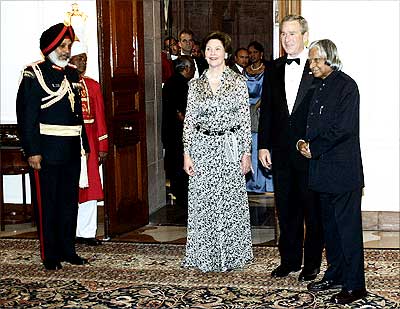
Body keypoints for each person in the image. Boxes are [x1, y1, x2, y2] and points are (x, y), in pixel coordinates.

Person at [298, 39, 367, 305]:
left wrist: (315, 147)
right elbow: (312, 124)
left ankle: (355, 285)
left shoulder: (347, 86)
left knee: (347, 231)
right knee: (331, 230)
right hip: (322, 174)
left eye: (316, 60)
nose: (311, 65)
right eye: (310, 60)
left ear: (330, 59)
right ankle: (336, 274)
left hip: (342, 173)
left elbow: (343, 129)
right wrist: (303, 142)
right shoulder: (319, 86)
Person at [16, 23, 90, 270]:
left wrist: (85, 145)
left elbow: (77, 113)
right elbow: (27, 116)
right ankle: (50, 255)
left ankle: (68, 250)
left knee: (69, 203)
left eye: (69, 46)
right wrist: (32, 151)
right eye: (62, 46)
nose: (67, 50)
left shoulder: (71, 74)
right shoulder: (33, 74)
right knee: (47, 204)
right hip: (46, 151)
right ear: (49, 47)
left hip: (70, 149)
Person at [258, 15, 324, 281]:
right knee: (286, 209)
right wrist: (263, 146)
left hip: (309, 153)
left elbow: (325, 113)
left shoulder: (317, 67)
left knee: (312, 210)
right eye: (284, 34)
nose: (287, 39)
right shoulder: (273, 68)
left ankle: (311, 265)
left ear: (305, 36)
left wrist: (317, 146)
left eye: (292, 33)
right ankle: (289, 261)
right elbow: (267, 112)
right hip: (281, 151)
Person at [182, 31, 253, 272]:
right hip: (201, 148)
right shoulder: (195, 84)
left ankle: (232, 255)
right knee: (204, 202)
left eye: (217, 49)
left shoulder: (237, 82)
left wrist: (246, 152)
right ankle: (204, 255)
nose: (212, 53)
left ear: (226, 53)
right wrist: (186, 152)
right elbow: (189, 120)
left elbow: (245, 120)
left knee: (228, 202)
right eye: (209, 49)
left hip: (229, 148)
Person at [69, 41, 108, 246]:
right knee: (69, 189)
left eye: (85, 57)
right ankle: (69, 232)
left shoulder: (92, 85)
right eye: (79, 58)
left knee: (90, 189)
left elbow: (100, 117)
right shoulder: (61, 84)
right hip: (68, 146)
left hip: (90, 146)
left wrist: (102, 147)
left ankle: (87, 232)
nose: (83, 61)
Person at [162, 56, 195, 212]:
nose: (194, 71)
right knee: (179, 166)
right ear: (186, 68)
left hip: (172, 132)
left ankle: (181, 195)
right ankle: (183, 198)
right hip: (178, 133)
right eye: (193, 67)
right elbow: (181, 111)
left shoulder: (171, 82)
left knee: (176, 165)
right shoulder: (180, 84)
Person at [244, 41, 273, 193]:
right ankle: (251, 182)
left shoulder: (268, 70)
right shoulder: (245, 71)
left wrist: (258, 105)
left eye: (255, 52)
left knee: (260, 143)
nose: (252, 55)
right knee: (249, 145)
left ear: (261, 54)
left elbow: (269, 90)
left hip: (261, 110)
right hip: (246, 111)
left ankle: (264, 182)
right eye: (250, 52)